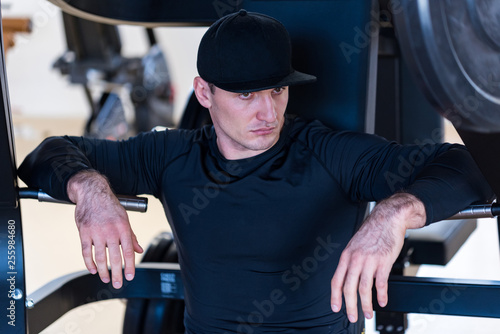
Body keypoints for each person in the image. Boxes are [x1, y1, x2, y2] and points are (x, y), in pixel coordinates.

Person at [19, 10, 493, 334]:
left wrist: (393, 214)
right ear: (204, 94)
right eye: (246, 96)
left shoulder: (329, 152)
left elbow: (469, 164)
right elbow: (47, 153)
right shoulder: (169, 155)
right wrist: (91, 191)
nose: (268, 111)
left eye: (276, 91)